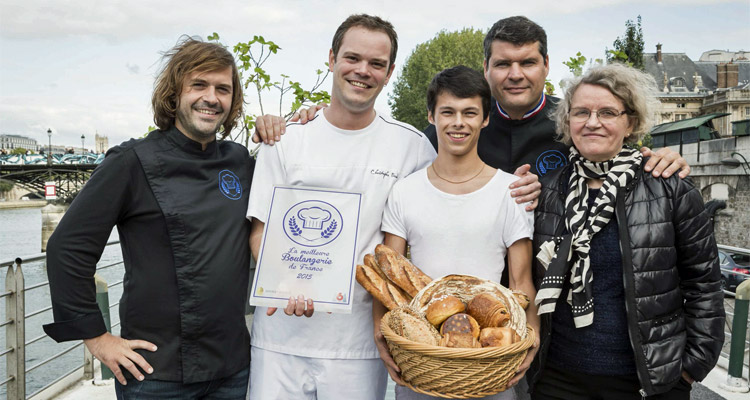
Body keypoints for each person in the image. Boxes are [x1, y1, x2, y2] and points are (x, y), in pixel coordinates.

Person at [43, 37, 254, 399]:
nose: (212, 97)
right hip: (155, 373)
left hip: (233, 367)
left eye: (223, 88)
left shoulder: (240, 161)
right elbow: (68, 249)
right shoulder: (131, 162)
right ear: (175, 93)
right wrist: (97, 338)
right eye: (199, 85)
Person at [246, 14, 436, 400]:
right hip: (280, 336)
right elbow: (260, 230)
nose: (362, 71)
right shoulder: (284, 140)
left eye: (376, 64)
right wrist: (285, 284)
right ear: (331, 58)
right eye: (352, 58)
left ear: (390, 72)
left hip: (359, 343)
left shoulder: (413, 147)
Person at [530, 63, 724, 399]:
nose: (592, 122)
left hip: (646, 383)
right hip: (558, 378)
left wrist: (690, 370)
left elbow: (704, 285)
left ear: (629, 122)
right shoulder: (548, 192)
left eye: (607, 112)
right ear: (567, 121)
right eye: (581, 112)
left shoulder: (670, 189)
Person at [379, 66, 539, 400]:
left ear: (485, 119)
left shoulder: (510, 191)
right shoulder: (405, 191)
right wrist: (381, 334)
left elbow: (521, 282)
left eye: (470, 113)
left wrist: (532, 334)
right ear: (431, 116)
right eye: (447, 112)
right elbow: (388, 277)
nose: (458, 123)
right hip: (421, 361)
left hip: (490, 365)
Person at [424, 16, 689, 185]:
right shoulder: (447, 130)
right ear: (486, 68)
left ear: (546, 65)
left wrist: (663, 159)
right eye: (503, 64)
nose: (515, 75)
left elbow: (622, 158)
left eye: (527, 63)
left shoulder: (578, 120)